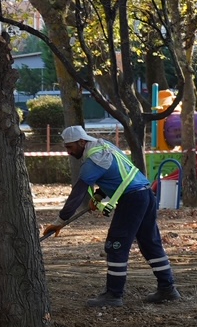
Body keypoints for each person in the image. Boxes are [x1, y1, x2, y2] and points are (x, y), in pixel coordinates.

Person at [56, 124, 178, 307]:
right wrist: (99, 195)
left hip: (132, 200)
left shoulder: (93, 160)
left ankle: (113, 295)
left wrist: (60, 220)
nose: (69, 152)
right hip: (145, 194)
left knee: (115, 245)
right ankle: (167, 289)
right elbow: (118, 174)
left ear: (81, 142)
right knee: (150, 243)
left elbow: (77, 194)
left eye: (70, 147)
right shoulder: (105, 146)